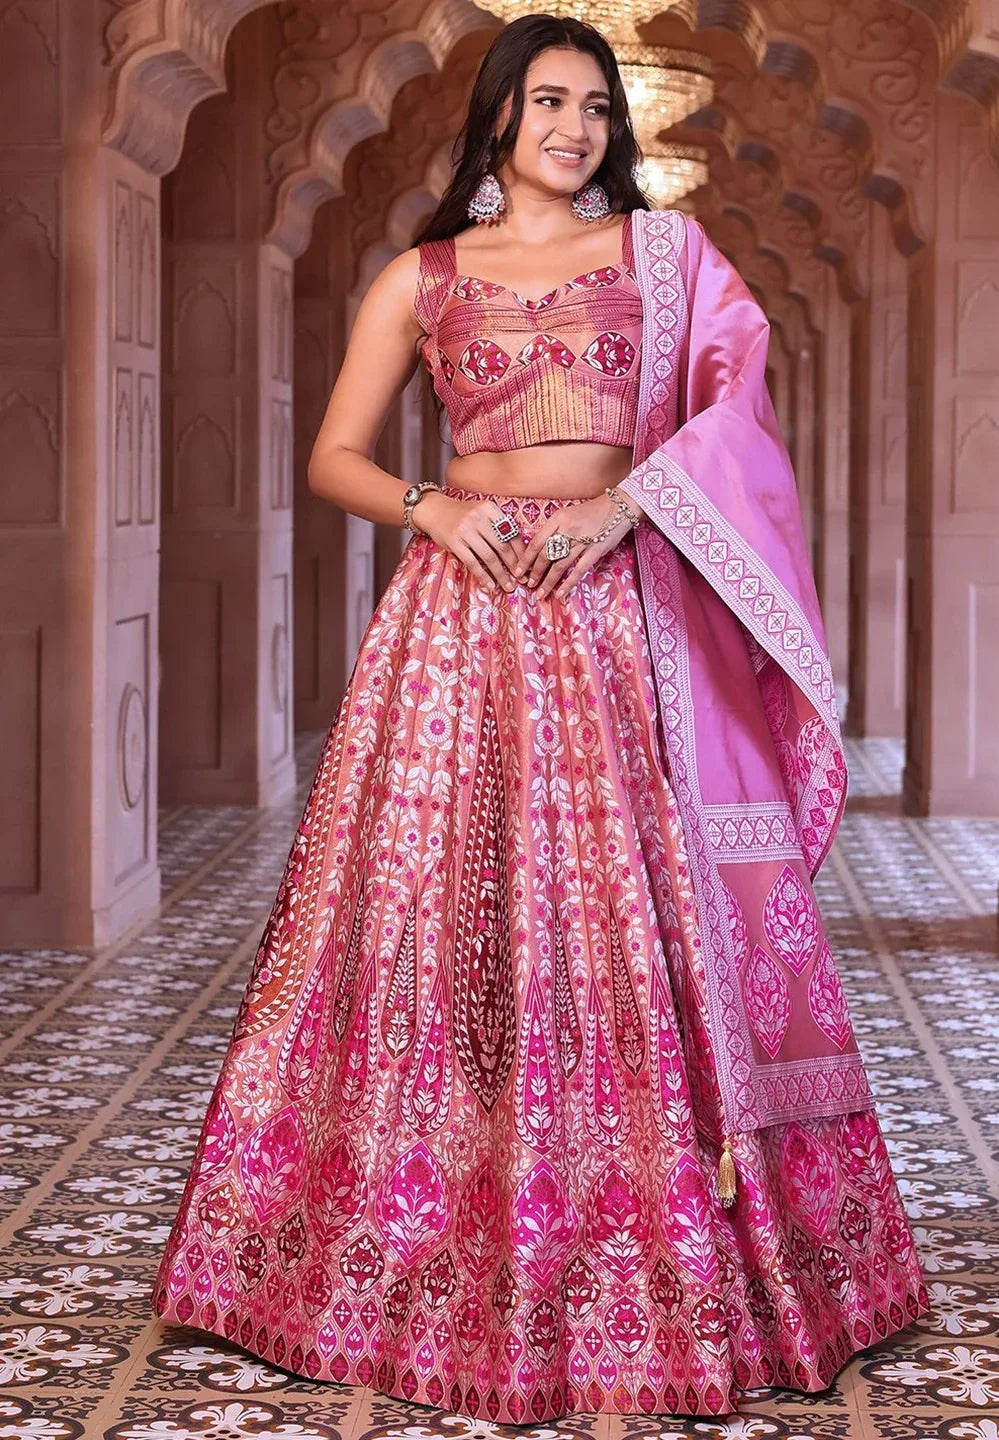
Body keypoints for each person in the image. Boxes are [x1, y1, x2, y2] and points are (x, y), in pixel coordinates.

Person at [153, 12, 929, 1424]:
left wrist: (633, 500)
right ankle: (414, 1247)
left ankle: (676, 1253)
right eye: (549, 102)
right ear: (499, 117)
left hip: (627, 601)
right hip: (463, 618)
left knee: (640, 917)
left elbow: (738, 399)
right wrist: (434, 504)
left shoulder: (669, 259)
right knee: (442, 915)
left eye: (594, 106)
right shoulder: (424, 275)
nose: (574, 128)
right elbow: (334, 450)